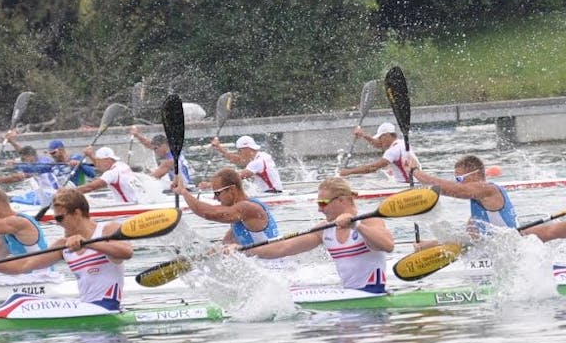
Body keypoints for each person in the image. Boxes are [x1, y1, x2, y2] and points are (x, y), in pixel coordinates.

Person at [0, 188, 132, 310]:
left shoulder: (107, 229)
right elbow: (24, 265)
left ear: (77, 213)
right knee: (19, 300)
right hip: (87, 308)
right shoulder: (63, 245)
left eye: (60, 218)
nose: (57, 223)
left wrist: (88, 243)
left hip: (108, 307)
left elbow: (126, 252)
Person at [246, 177, 394, 293]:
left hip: (374, 295)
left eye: (323, 203)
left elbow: (388, 245)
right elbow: (283, 248)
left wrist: (356, 225)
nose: (319, 209)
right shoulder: (325, 229)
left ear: (341, 200)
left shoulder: (369, 220)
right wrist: (245, 251)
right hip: (350, 295)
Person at [412, 155, 518, 246]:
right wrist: (429, 245)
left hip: (509, 250)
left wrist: (415, 171)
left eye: (460, 179)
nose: (458, 183)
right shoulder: (476, 214)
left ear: (475, 174)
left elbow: (457, 190)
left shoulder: (489, 190)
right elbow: (467, 240)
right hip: (497, 250)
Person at [172, 167, 279, 246]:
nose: (215, 198)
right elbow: (224, 245)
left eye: (217, 193)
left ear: (232, 189)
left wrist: (183, 192)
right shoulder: (238, 216)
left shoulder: (247, 208)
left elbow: (209, 214)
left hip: (273, 265)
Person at [339, 121, 419, 184]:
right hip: (414, 182)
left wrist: (349, 172)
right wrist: (363, 135)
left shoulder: (393, 151)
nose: (379, 140)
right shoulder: (402, 143)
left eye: (380, 138)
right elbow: (379, 144)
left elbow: (372, 168)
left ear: (386, 135)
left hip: (406, 186)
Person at [209, 135, 282, 193]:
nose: (239, 153)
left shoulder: (257, 162)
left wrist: (209, 184)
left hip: (271, 194)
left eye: (239, 150)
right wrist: (219, 148)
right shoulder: (263, 155)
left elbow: (235, 178)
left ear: (247, 149)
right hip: (274, 192)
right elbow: (238, 160)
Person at [131, 126, 196, 185]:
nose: (154, 151)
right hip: (187, 185)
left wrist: (134, 177)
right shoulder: (175, 150)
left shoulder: (169, 161)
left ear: (163, 145)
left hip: (182, 189)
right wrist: (137, 135)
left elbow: (151, 178)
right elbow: (149, 144)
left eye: (156, 149)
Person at [75, 146, 141, 203]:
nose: (97, 164)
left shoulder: (112, 173)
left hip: (128, 208)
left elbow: (89, 187)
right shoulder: (123, 165)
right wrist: (90, 155)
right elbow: (101, 167)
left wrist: (70, 192)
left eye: (99, 161)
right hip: (137, 202)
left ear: (107, 160)